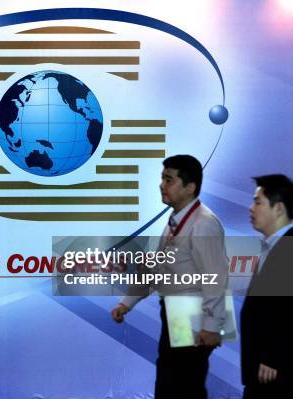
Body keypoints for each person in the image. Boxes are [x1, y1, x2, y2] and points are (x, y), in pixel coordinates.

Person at [111, 154, 229, 399]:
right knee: (171, 383)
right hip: (177, 313)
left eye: (169, 180)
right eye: (162, 179)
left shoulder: (204, 223)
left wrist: (210, 326)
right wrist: (127, 303)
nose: (161, 185)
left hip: (194, 316)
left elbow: (216, 277)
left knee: (183, 386)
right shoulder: (175, 221)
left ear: (190, 187)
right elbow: (157, 270)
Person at [241, 174, 293, 399]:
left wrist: (273, 356)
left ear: (278, 209)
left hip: (277, 376)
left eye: (258, 202)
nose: (251, 209)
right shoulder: (274, 247)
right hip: (262, 373)